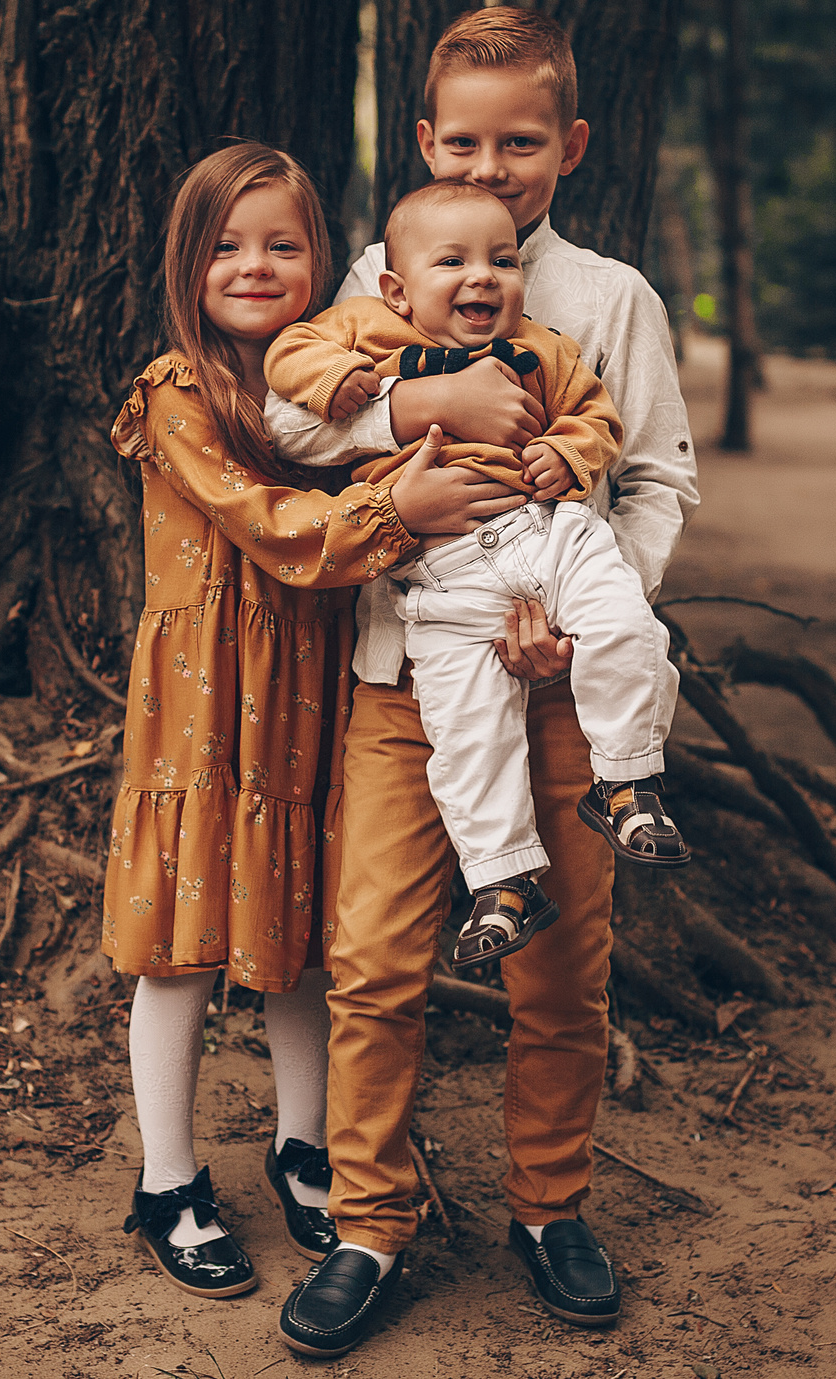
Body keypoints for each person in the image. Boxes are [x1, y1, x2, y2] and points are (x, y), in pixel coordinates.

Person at [265, 7, 698, 1357]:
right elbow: (287, 415)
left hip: (562, 689)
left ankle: (550, 1203)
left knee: (563, 964)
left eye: (522, 142)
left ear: (568, 145)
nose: (494, 165)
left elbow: (661, 474)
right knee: (378, 957)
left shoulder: (611, 297)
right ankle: (371, 1220)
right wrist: (418, 409)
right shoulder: (377, 274)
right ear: (423, 139)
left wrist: (583, 614)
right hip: (405, 677)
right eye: (466, 140)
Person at [101, 141, 521, 1301]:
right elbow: (271, 522)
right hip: (199, 705)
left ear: (323, 262)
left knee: (300, 934)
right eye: (227, 246)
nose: (255, 265)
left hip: (306, 690)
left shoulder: (325, 384)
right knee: (182, 941)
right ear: (187, 264)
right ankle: (169, 1179)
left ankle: (304, 1148)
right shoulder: (175, 392)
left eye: (283, 245)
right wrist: (402, 503)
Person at [262, 178, 686, 974]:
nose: (482, 276)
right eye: (452, 260)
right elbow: (290, 356)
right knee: (467, 733)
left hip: (548, 535)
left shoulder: (545, 340)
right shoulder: (368, 320)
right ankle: (504, 881)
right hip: (443, 577)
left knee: (629, 626)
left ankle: (629, 781)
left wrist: (567, 452)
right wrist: (360, 388)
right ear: (398, 285)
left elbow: (601, 419)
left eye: (500, 260)